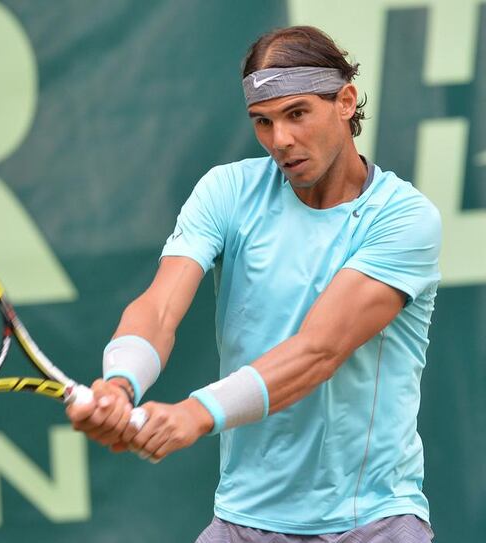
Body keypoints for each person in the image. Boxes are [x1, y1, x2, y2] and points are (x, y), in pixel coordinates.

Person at [66, 26, 440, 542]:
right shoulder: (227, 191)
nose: (280, 140)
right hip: (242, 522)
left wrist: (196, 413)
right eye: (262, 122)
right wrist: (120, 381)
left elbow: (318, 351)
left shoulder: (403, 219)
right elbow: (160, 308)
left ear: (346, 102)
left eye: (297, 113)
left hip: (372, 522)